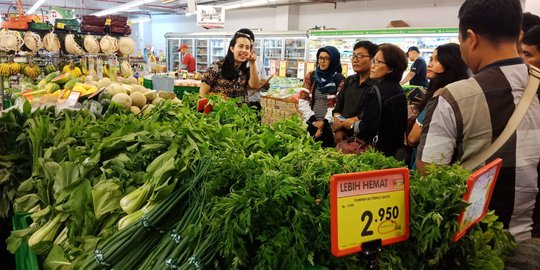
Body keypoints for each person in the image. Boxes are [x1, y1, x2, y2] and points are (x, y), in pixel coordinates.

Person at [416, 0, 540, 242]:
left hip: (475, 244)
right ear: (517, 34)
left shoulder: (453, 98)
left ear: (471, 38)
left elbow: (430, 182)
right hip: (534, 240)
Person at [406, 43, 469, 169]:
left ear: (451, 63)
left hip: (429, 166)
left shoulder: (441, 96)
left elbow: (413, 138)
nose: (430, 64)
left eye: (437, 60)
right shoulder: (464, 90)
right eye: (431, 59)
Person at [342, 43, 408, 157]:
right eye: (373, 61)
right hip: (394, 148)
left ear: (390, 68)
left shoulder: (376, 91)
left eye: (378, 62)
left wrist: (352, 125)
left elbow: (368, 127)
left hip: (377, 150)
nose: (372, 66)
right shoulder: (398, 89)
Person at [298, 46, 345, 147]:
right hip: (311, 125)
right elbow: (303, 99)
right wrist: (313, 121)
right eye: (320, 58)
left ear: (333, 60)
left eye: (327, 59)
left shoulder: (339, 79)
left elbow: (338, 105)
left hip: (330, 128)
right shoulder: (311, 76)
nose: (322, 61)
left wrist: (323, 124)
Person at [332, 40, 378, 145]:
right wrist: (339, 130)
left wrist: (341, 124)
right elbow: (338, 108)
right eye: (353, 56)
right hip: (343, 137)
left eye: (360, 56)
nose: (355, 60)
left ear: (372, 59)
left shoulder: (376, 86)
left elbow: (366, 115)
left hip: (364, 142)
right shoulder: (349, 80)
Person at [199, 29, 260, 103]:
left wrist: (252, 63)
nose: (244, 50)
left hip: (240, 113)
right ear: (232, 48)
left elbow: (254, 86)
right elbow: (202, 94)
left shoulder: (245, 70)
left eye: (247, 48)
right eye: (240, 46)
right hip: (218, 112)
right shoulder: (216, 67)